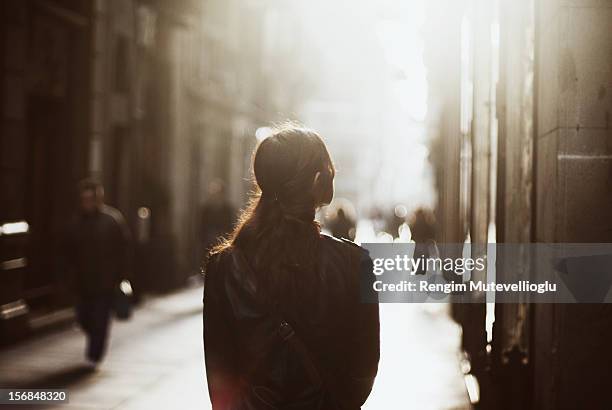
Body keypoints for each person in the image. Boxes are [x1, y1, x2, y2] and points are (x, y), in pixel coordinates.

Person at [203, 125, 380, 409]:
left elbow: (220, 377)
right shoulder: (353, 264)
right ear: (319, 180)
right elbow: (363, 371)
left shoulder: (224, 266)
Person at [64, 179, 131, 367]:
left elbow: (124, 248)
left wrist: (122, 275)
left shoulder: (111, 220)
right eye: (84, 199)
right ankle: (93, 344)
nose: (87, 203)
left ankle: (94, 355)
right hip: (82, 281)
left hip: (105, 281)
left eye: (91, 198)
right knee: (84, 317)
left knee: (100, 320)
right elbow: (67, 251)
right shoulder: (76, 222)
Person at [200, 179, 236, 254]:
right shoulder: (206, 210)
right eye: (214, 193)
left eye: (218, 193)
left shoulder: (227, 210)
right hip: (208, 244)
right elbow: (202, 229)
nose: (216, 196)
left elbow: (231, 227)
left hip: (223, 243)